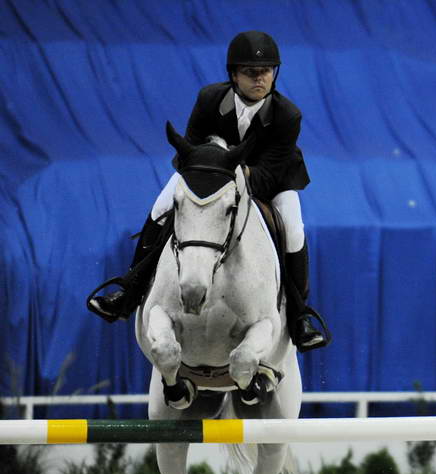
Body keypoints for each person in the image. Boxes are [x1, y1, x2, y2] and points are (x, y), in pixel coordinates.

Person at [87, 30, 329, 352]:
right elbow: (189, 150)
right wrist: (210, 175)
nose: (260, 79)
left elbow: (269, 174)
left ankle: (300, 316)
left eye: (267, 72)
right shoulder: (209, 99)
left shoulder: (288, 115)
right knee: (161, 207)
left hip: (272, 181)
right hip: (207, 176)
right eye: (251, 73)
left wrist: (234, 177)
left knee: (294, 228)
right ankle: (128, 291)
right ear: (233, 75)